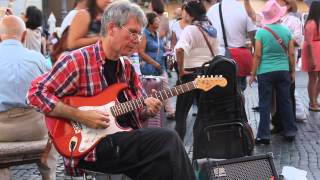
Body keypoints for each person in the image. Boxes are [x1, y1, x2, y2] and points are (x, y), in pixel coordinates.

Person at [27, 1, 196, 179]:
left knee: (163, 167)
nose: (136, 41)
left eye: (139, 35)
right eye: (132, 32)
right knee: (168, 139)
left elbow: (138, 113)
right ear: (112, 28)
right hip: (91, 147)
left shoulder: (127, 68)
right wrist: (79, 115)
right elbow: (35, 93)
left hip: (122, 142)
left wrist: (147, 110)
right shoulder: (78, 61)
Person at [0, 15, 57, 180]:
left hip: (1, 131)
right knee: (50, 128)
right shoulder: (38, 59)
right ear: (24, 35)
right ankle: (49, 175)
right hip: (35, 128)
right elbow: (52, 92)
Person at [249, 0, 298, 145]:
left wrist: (252, 74)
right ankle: (290, 131)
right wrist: (293, 71)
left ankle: (264, 135)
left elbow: (257, 55)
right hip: (283, 70)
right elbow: (291, 54)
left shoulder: (261, 32)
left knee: (264, 103)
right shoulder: (286, 31)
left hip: (265, 72)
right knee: (286, 101)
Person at [174, 1, 219, 140]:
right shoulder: (210, 29)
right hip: (207, 75)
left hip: (190, 75)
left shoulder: (190, 29)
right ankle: (205, 144)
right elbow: (217, 55)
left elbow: (179, 49)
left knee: (181, 114)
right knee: (205, 114)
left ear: (190, 14)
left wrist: (181, 70)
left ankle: (178, 146)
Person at [207, 0, 256, 92]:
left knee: (223, 89)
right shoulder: (243, 9)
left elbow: (208, 35)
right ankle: (240, 105)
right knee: (239, 89)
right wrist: (255, 51)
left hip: (219, 56)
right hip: (239, 56)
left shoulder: (211, 10)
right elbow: (252, 33)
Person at [139, 12, 176, 120]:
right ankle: (165, 111)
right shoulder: (144, 34)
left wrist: (166, 49)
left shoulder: (157, 34)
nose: (159, 22)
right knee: (151, 89)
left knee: (163, 87)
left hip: (160, 65)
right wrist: (154, 63)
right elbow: (141, 52)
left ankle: (167, 110)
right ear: (150, 23)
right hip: (150, 67)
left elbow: (159, 47)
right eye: (156, 20)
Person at [301, 1, 320, 111]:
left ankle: (315, 100)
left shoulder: (316, 22)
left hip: (318, 51)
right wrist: (313, 59)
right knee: (313, 78)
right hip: (312, 53)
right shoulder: (311, 23)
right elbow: (308, 42)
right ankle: (312, 103)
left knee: (316, 78)